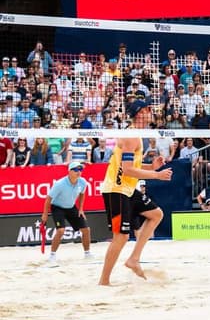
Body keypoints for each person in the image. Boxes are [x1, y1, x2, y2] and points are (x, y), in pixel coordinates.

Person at [99, 100, 173, 286]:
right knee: (121, 236)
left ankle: (134, 259)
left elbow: (133, 166)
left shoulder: (136, 136)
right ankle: (104, 281)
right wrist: (156, 175)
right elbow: (128, 170)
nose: (151, 112)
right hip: (115, 190)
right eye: (148, 109)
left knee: (156, 214)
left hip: (128, 189)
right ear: (140, 113)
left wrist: (151, 166)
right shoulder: (131, 136)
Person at [40, 161, 93, 265]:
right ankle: (52, 255)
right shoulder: (60, 184)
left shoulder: (82, 182)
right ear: (69, 171)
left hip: (71, 207)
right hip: (58, 208)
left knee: (86, 230)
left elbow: (82, 194)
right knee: (60, 231)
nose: (79, 172)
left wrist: (81, 209)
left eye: (80, 169)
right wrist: (45, 214)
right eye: (76, 170)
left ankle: (87, 253)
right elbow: (48, 199)